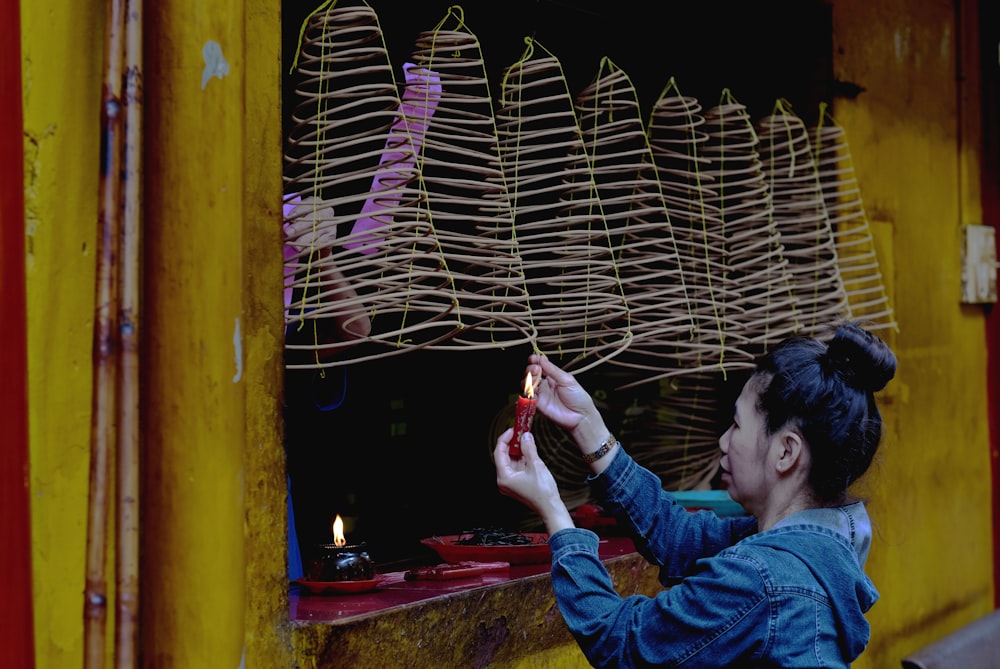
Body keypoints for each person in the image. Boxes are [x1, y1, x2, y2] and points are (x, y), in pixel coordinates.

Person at [493, 321, 897, 668]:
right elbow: (681, 539)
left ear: (786, 452)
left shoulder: (762, 577)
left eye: (737, 426)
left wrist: (555, 513)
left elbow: (626, 644)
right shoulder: (815, 545)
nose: (723, 442)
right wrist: (588, 427)